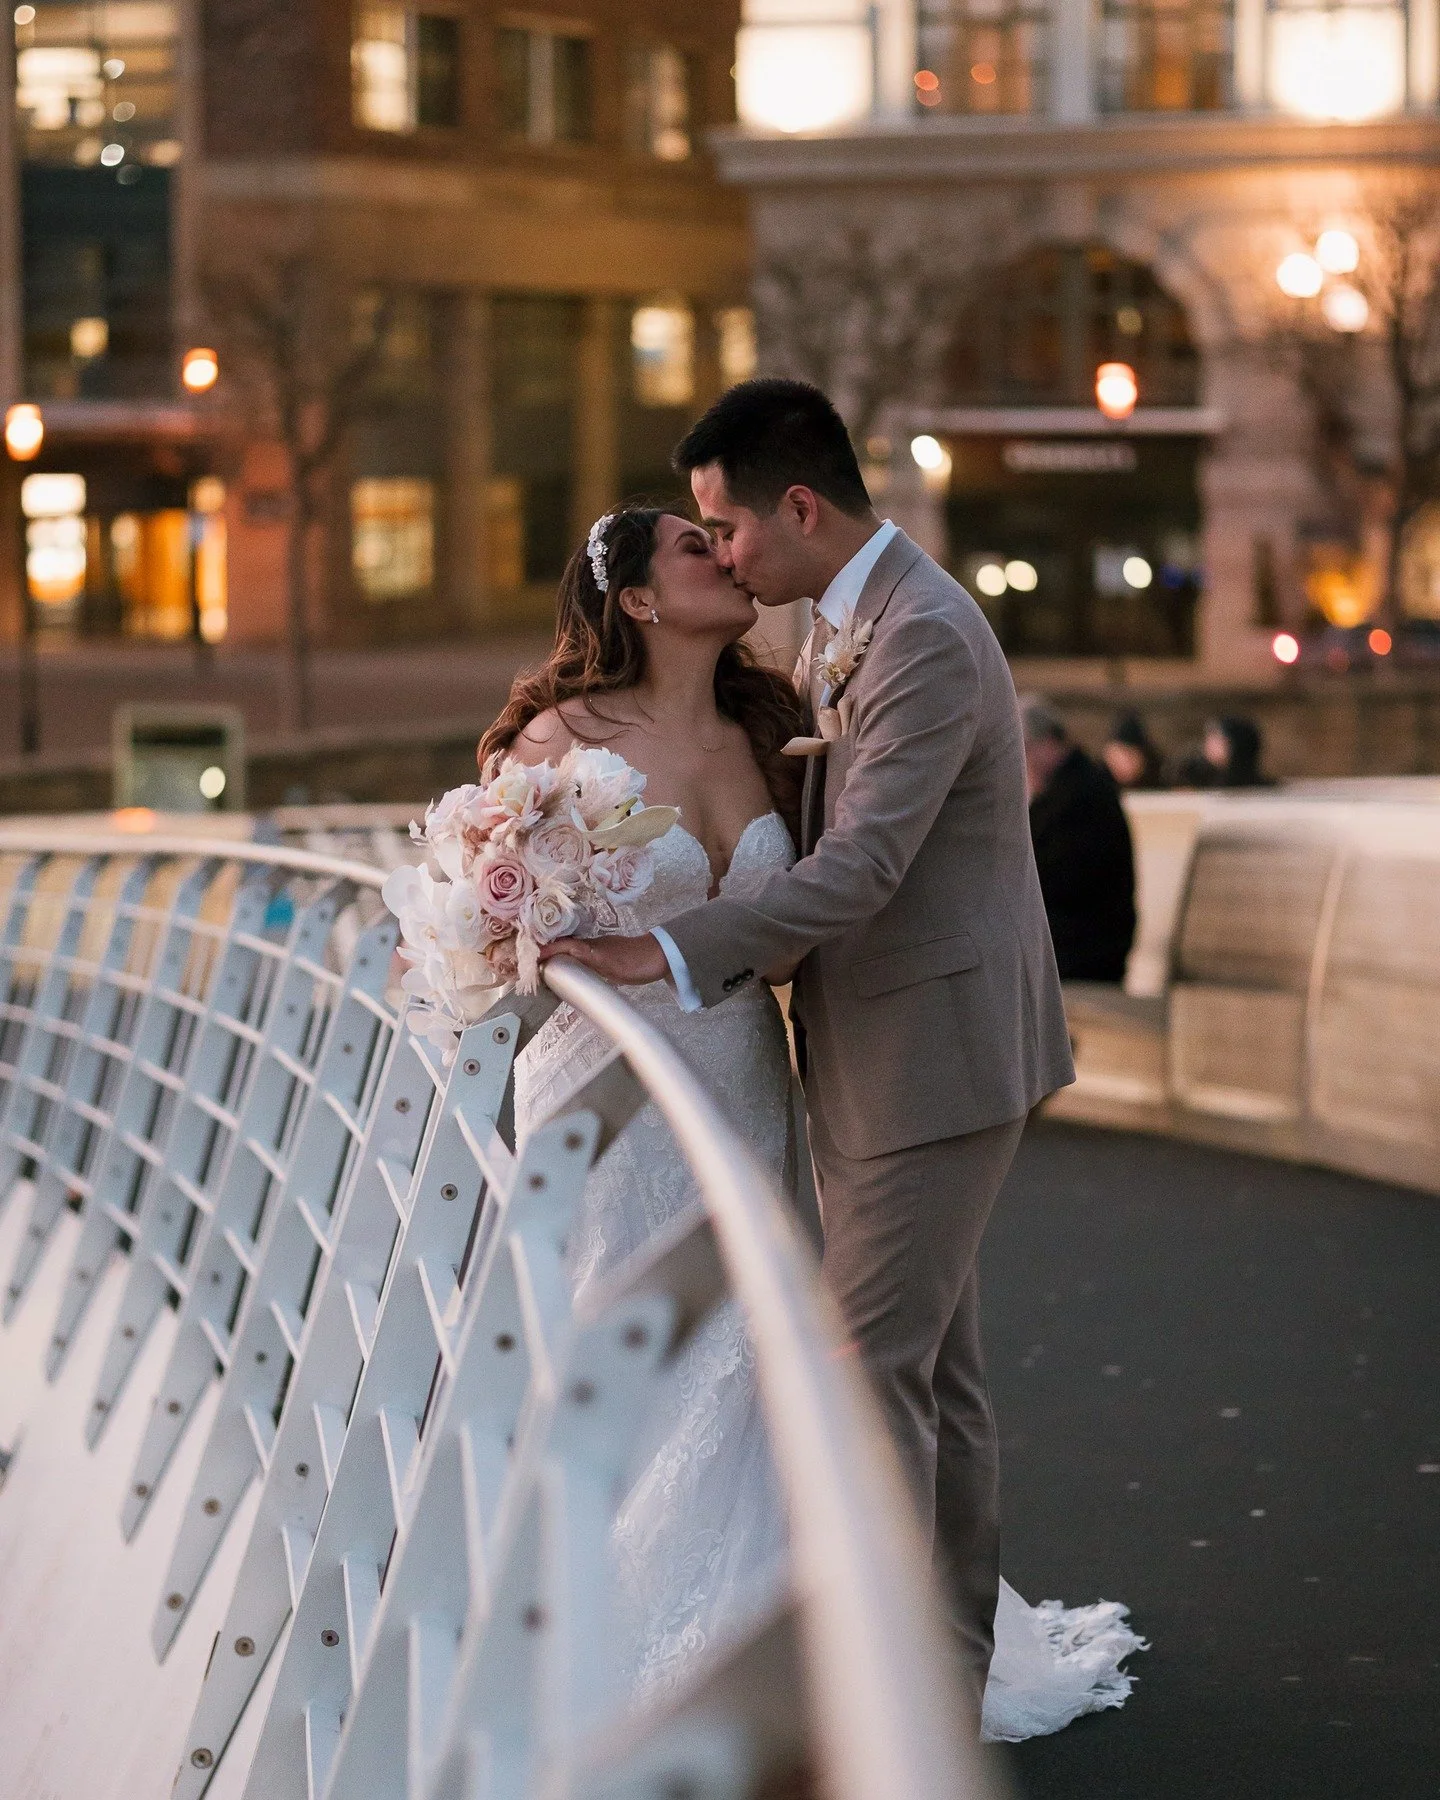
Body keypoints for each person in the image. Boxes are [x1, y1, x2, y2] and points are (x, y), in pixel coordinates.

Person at [526, 382, 1142, 1733]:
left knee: (869, 1375)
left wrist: (670, 955)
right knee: (935, 1376)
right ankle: (938, 1674)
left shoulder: (918, 634)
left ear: (797, 508)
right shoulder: (833, 628)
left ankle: (896, 1704)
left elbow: (859, 867)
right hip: (863, 1052)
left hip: (934, 1050)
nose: (724, 555)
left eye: (724, 527)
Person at [1022, 697, 1137, 984]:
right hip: (1073, 937)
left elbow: (1055, 879)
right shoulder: (1065, 789)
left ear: (1047, 742)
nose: (1021, 762)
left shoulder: (1084, 795)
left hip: (1088, 948)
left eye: (1023, 749)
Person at [1102, 709, 1165, 791]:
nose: (1123, 763)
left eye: (1130, 756)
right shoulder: (1097, 780)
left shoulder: (1160, 777)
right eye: (1117, 756)